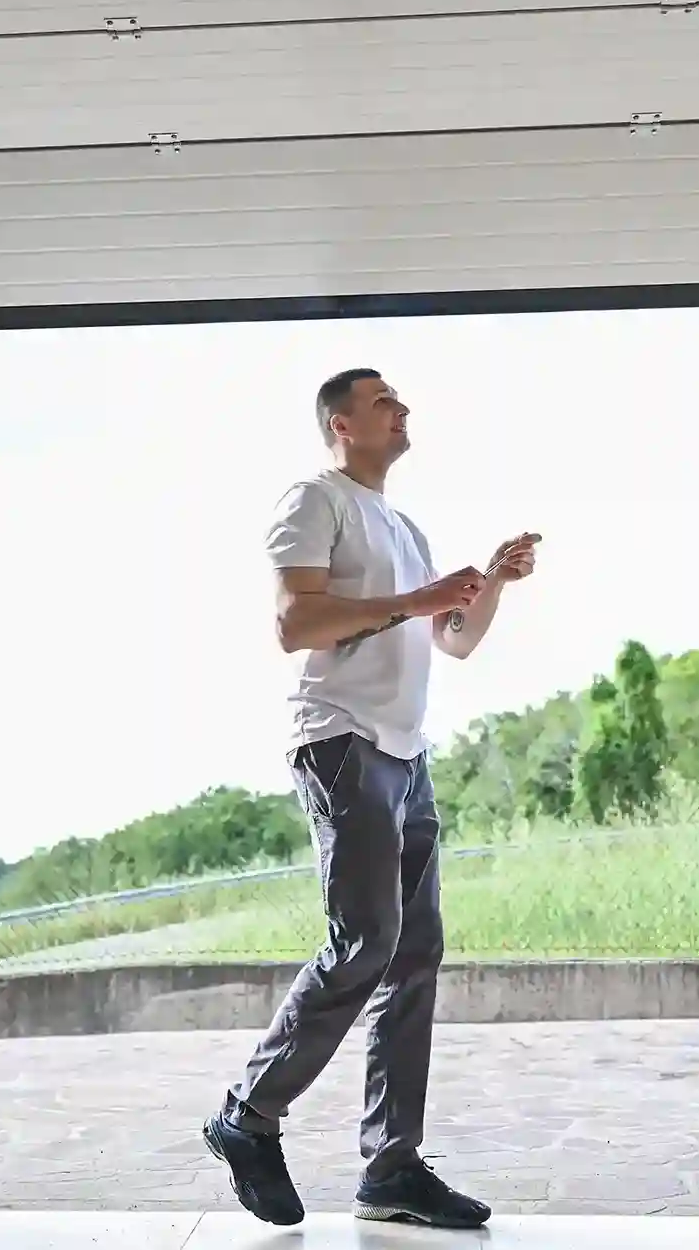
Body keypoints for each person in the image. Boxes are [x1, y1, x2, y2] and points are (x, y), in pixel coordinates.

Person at [203, 368, 539, 1230]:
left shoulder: (405, 525)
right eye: (385, 400)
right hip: (342, 742)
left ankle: (391, 1167)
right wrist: (417, 600)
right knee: (367, 941)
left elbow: (453, 641)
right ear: (341, 423)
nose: (403, 410)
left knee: (415, 951)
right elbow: (295, 625)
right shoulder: (316, 499)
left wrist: (489, 581)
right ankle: (248, 1113)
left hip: (407, 752)